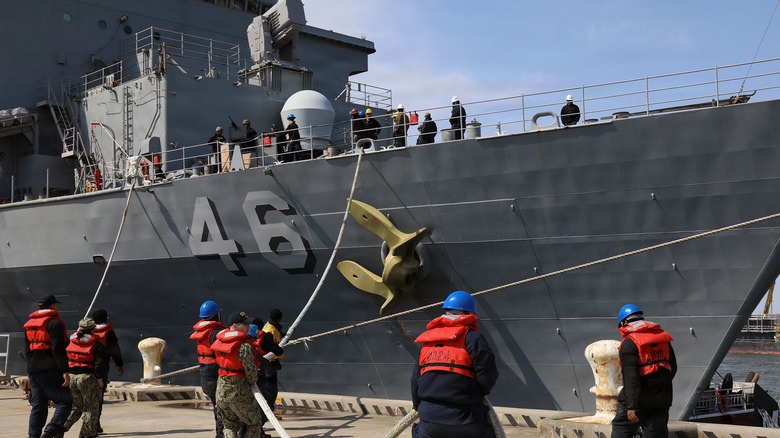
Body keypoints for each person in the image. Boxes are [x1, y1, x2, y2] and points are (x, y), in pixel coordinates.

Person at [411, 291, 498, 438]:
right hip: (465, 418)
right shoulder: (473, 338)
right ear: (468, 314)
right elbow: (488, 375)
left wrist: (420, 408)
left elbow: (415, 381)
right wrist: (478, 393)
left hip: (429, 421)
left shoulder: (427, 342)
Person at [611, 304, 676, 438]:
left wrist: (631, 406)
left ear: (624, 322)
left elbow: (631, 378)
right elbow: (673, 368)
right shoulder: (662, 338)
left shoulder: (629, 343)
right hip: (662, 399)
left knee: (620, 427)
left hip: (639, 401)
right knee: (655, 433)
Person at [24, 294, 73, 438]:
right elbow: (57, 349)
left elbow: (28, 351)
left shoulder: (29, 325)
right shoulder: (54, 323)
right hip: (50, 369)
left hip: (34, 370)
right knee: (65, 401)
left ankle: (33, 436)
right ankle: (50, 431)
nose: (56, 306)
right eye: (55, 304)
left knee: (38, 406)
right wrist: (65, 371)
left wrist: (31, 367)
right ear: (52, 306)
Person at [211, 311, 263, 438]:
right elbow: (251, 376)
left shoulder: (219, 343)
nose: (248, 327)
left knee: (229, 425)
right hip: (238, 393)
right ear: (235, 326)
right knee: (254, 422)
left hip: (221, 392)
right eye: (244, 325)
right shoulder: (244, 346)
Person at [62, 318, 107, 438]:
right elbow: (99, 365)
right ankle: (87, 434)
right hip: (88, 378)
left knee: (76, 407)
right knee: (91, 408)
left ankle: (60, 428)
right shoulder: (97, 345)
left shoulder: (72, 341)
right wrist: (99, 379)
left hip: (72, 377)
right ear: (93, 329)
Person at [190, 300, 226, 438]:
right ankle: (222, 435)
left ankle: (220, 434)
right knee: (225, 409)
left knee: (218, 408)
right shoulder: (216, 333)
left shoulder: (202, 332)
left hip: (205, 373)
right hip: (217, 372)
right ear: (216, 315)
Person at [248, 319, 284, 438]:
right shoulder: (265, 338)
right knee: (267, 402)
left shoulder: (244, 343)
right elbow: (277, 350)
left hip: (248, 379)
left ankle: (249, 431)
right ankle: (258, 431)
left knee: (251, 406)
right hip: (265, 374)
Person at [91, 309, 124, 434]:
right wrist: (120, 365)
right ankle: (95, 424)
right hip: (101, 367)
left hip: (84, 366)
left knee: (87, 397)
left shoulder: (87, 331)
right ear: (106, 319)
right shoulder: (108, 332)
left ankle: (88, 423)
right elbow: (115, 350)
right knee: (98, 396)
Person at [262, 309, 286, 417]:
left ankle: (268, 412)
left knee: (270, 390)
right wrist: (280, 350)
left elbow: (278, 337)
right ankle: (268, 414)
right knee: (270, 391)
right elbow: (271, 346)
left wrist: (287, 334)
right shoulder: (269, 331)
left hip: (270, 363)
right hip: (269, 365)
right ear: (279, 319)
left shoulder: (270, 326)